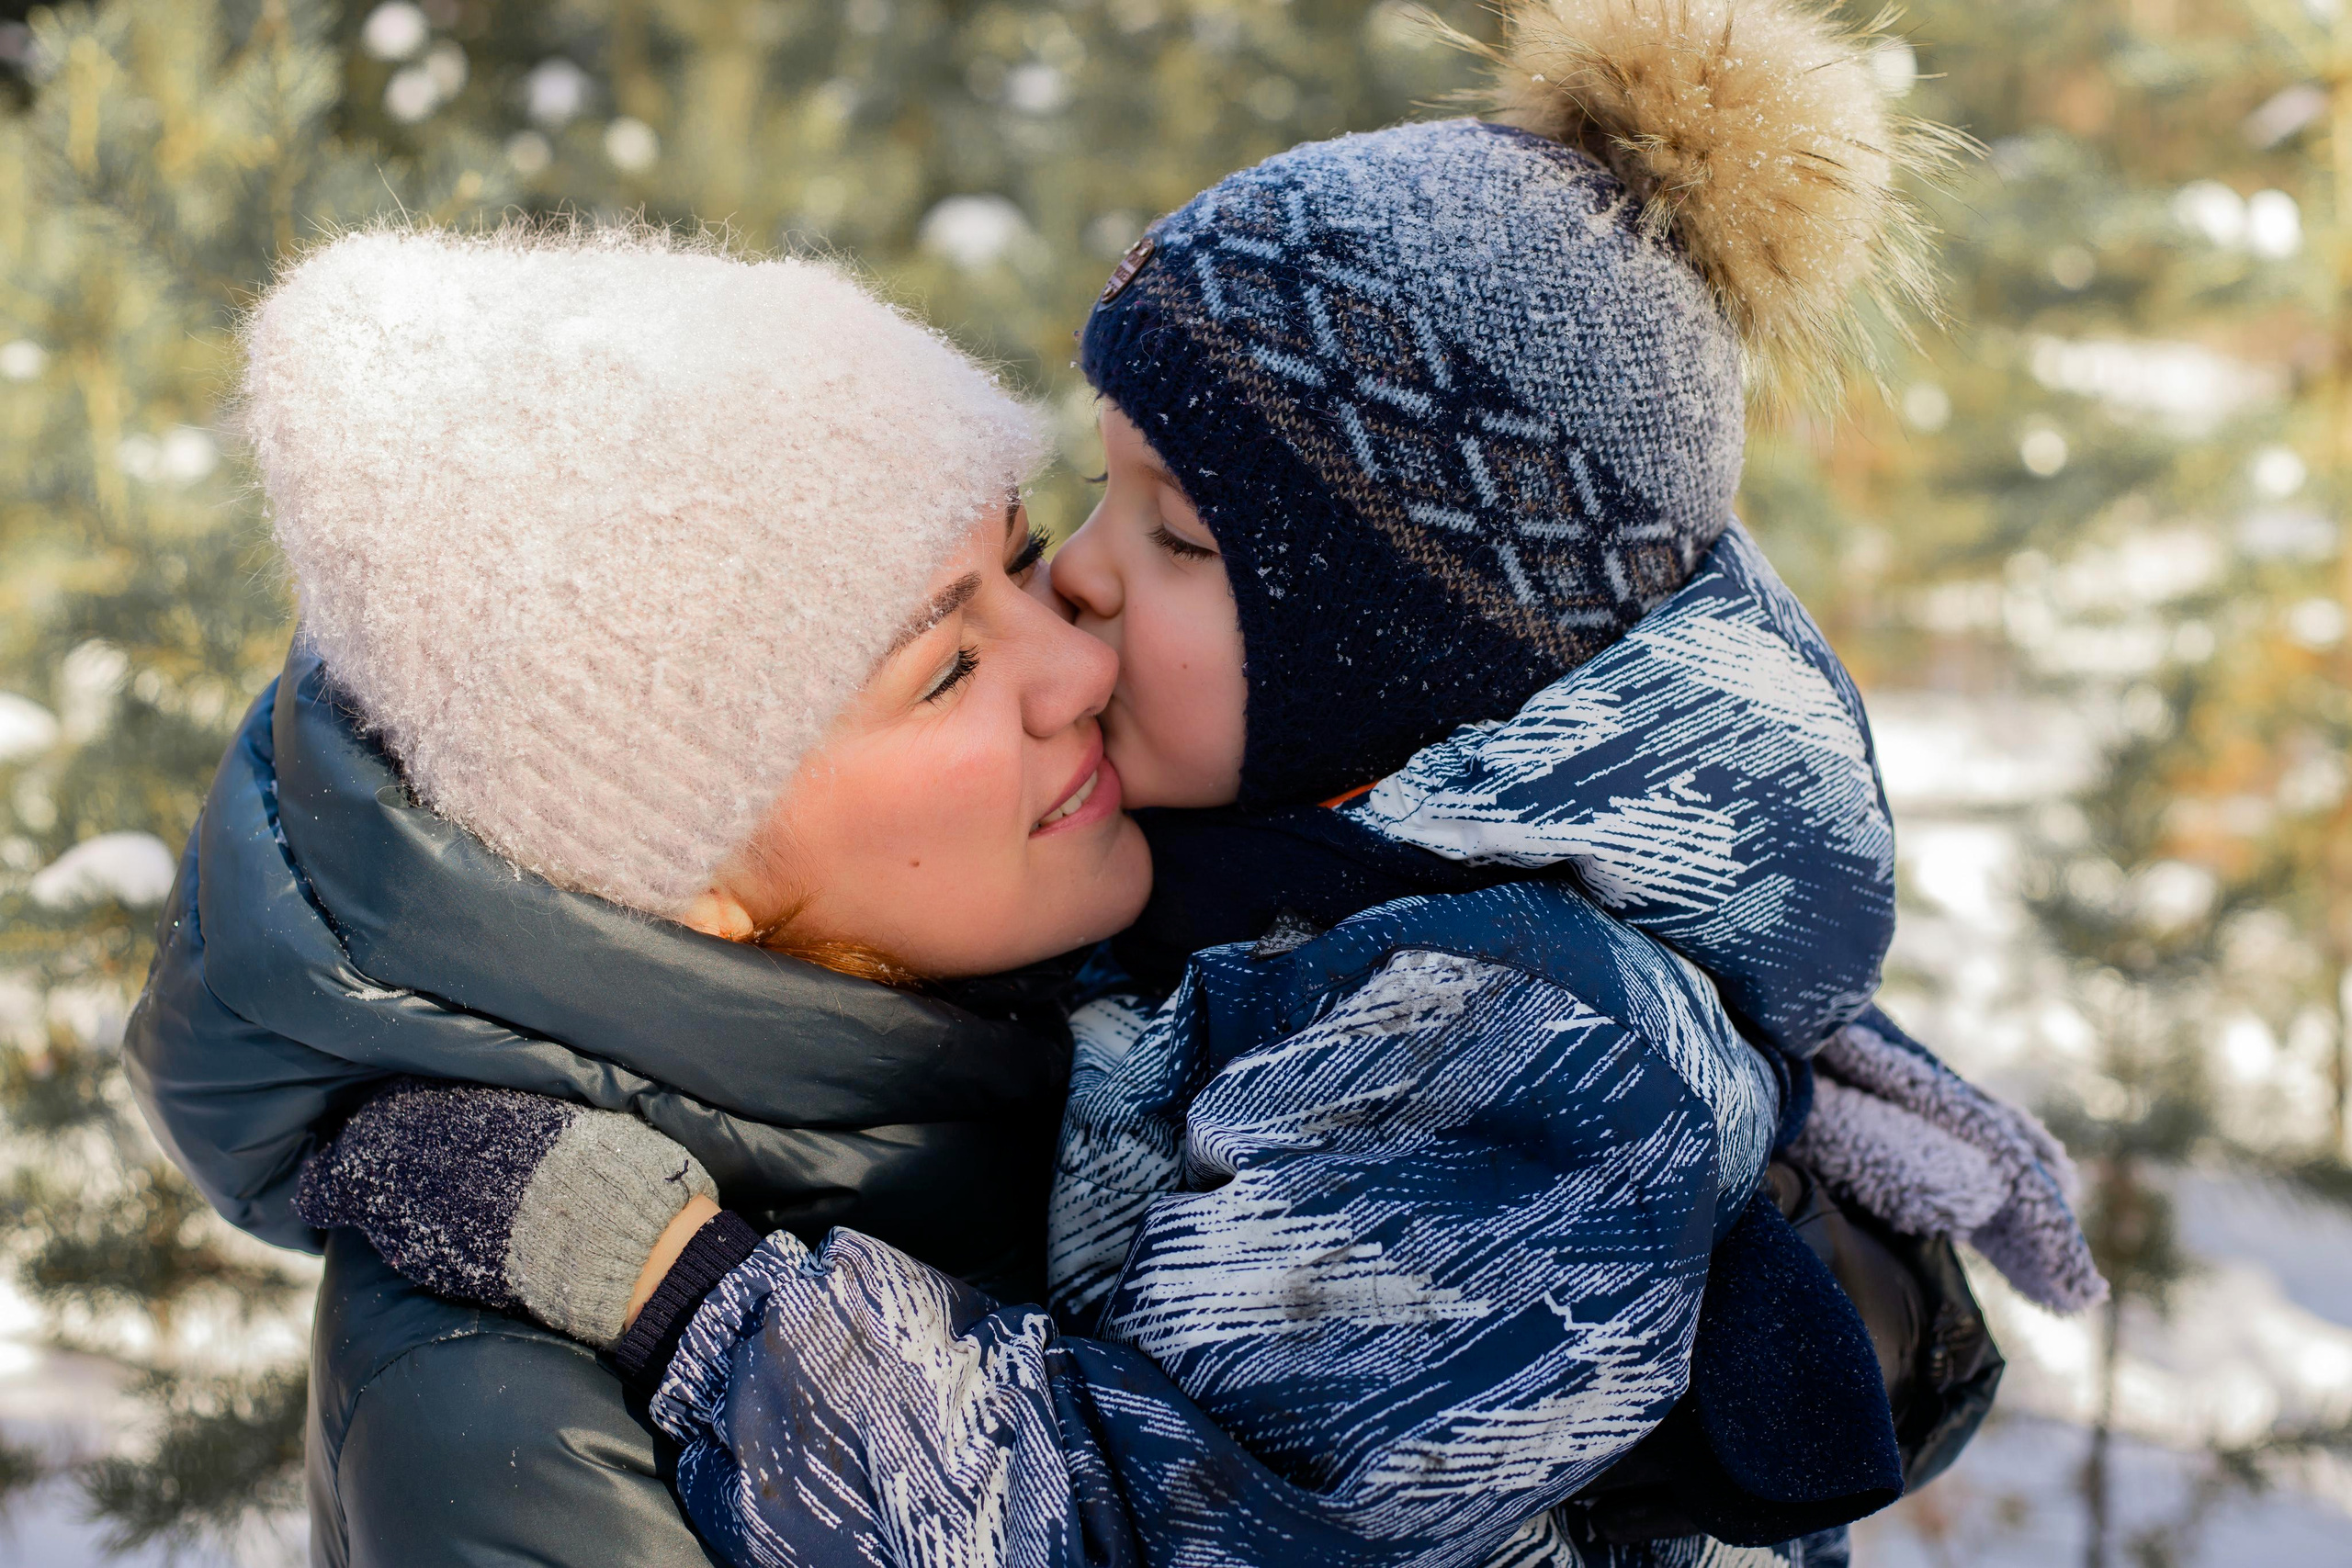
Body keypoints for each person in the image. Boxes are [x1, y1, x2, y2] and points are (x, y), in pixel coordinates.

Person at [288, 4, 2101, 1566]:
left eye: (1170, 536)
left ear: (1384, 657)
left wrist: (685, 1291)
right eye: (1095, 499)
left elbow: (1154, 1528)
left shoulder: (1505, 1025)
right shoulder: (1294, 878)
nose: (1077, 596)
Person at [122, 223, 1154, 1566]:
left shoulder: (1142, 1000)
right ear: (690, 877)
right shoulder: (510, 1431)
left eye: (1023, 561)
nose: (1080, 667)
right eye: (948, 670)